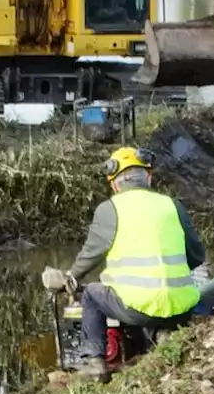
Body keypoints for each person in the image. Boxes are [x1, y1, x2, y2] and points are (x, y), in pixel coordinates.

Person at [44, 147, 205, 379]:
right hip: (183, 308)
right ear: (148, 177)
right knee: (153, 300)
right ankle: (162, 334)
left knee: (92, 293)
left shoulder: (110, 209)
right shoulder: (173, 205)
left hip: (139, 309)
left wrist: (71, 277)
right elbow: (197, 256)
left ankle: (96, 362)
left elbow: (91, 253)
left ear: (114, 185)